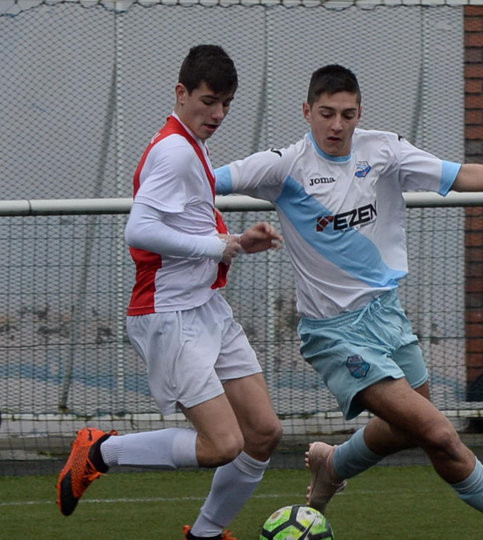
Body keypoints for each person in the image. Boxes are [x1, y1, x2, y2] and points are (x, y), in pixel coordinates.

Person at [213, 64, 483, 540]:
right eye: (326, 113)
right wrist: (222, 238)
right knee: (437, 432)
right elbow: (206, 182)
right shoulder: (283, 166)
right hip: (334, 333)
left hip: (387, 315)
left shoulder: (383, 151)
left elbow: (460, 174)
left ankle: (333, 463)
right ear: (307, 111)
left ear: (359, 113)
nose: (336, 126)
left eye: (347, 114)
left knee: (409, 428)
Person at [55, 45, 284, 540]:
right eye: (208, 101)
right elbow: (138, 229)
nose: (218, 113)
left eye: (226, 103)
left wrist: (235, 243)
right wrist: (222, 244)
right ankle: (100, 451)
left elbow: (187, 225)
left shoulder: (192, 143)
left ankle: (204, 534)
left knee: (263, 432)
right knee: (223, 443)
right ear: (181, 93)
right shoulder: (175, 149)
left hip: (205, 308)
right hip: (170, 315)